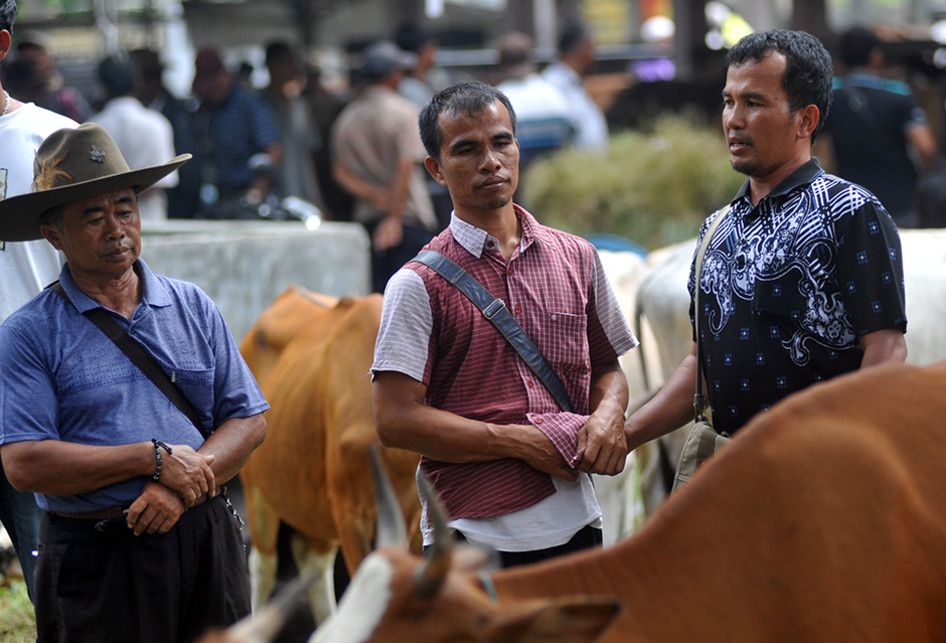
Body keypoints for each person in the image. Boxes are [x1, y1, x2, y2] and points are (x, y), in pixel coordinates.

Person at [0, 123, 268, 641]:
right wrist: (153, 458)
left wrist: (179, 491)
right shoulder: (29, 333)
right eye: (93, 217)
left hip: (203, 538)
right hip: (96, 554)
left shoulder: (191, 306)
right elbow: (24, 461)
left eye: (124, 209)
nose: (116, 228)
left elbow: (249, 418)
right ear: (54, 234)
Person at [371, 81, 637, 568]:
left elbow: (608, 368)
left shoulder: (577, 256)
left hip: (578, 521)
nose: (490, 161)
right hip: (469, 533)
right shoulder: (416, 284)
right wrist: (517, 442)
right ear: (435, 168)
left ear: (518, 147)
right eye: (466, 150)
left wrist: (607, 415)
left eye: (501, 142)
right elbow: (394, 419)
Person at [624, 30, 908, 456]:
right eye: (728, 101)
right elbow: (702, 368)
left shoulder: (849, 211)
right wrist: (624, 437)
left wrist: (836, 457)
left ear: (805, 120)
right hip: (729, 476)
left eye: (753, 103)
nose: (733, 119)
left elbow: (885, 351)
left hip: (816, 471)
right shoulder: (714, 230)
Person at [0, 0, 78, 604]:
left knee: (53, 577)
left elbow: (111, 272)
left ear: (2, 46)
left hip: (36, 396)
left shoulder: (54, 143)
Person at [331, 41, 438, 293]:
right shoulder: (404, 112)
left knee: (378, 303)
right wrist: (394, 217)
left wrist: (373, 194)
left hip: (368, 221)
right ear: (394, 76)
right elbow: (406, 167)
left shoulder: (347, 118)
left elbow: (340, 172)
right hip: (407, 218)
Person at [823, 26, 937, 228]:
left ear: (840, 58)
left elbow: (822, 154)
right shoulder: (898, 94)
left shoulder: (829, 97)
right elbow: (926, 147)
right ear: (875, 56)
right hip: (899, 201)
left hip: (849, 202)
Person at [191, 47, 281, 219]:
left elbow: (273, 150)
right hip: (218, 197)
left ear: (225, 76)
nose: (211, 91)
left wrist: (256, 192)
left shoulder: (248, 105)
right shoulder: (207, 110)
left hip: (249, 194)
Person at [90, 54, 179, 222]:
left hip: (108, 225)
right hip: (151, 221)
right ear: (139, 82)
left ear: (102, 87)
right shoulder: (158, 124)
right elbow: (164, 182)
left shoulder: (91, 129)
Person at [130, 48, 202, 219]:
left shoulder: (178, 114)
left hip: (172, 211)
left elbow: (189, 171)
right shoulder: (143, 112)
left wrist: (183, 214)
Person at [495, 31, 573, 173]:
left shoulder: (497, 102)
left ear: (501, 62)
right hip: (557, 176)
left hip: (515, 181)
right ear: (530, 58)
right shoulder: (554, 94)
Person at [260, 40, 324, 211]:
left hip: (305, 197)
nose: (292, 68)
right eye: (286, 62)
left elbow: (309, 157)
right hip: (272, 202)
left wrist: (319, 202)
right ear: (271, 65)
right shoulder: (258, 108)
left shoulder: (300, 108)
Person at [541, 21, 608, 151]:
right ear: (582, 49)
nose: (594, 54)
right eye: (591, 47)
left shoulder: (574, 81)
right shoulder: (552, 85)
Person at [9, 29, 89, 123]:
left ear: (50, 61)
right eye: (26, 57)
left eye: (37, 57)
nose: (31, 63)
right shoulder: (10, 99)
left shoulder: (66, 101)